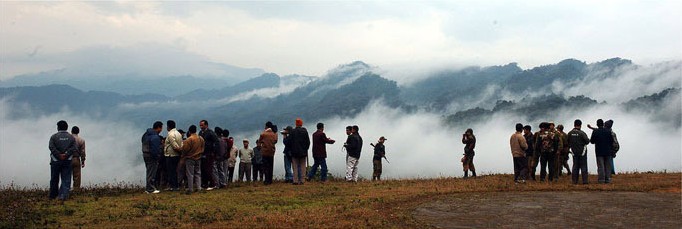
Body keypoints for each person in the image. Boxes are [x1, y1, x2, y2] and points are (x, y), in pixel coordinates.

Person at [49, 120, 77, 200]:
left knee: (54, 178)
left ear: (58, 127)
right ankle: (63, 196)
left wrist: (58, 155)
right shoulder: (71, 137)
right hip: (67, 160)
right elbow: (74, 147)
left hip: (55, 160)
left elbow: (51, 147)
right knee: (66, 178)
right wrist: (66, 154)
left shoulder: (53, 137)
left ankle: (53, 195)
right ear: (67, 127)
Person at [180, 125, 204, 194]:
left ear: (189, 131)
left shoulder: (189, 139)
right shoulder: (201, 138)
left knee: (190, 174)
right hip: (199, 158)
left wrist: (184, 155)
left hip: (190, 158)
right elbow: (203, 147)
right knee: (198, 173)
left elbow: (185, 149)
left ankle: (190, 189)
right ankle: (199, 187)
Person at [590, 119, 614, 184]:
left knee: (601, 166)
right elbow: (612, 141)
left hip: (599, 151)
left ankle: (601, 180)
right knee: (607, 166)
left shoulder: (595, 132)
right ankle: (608, 179)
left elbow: (592, 141)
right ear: (603, 124)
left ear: (597, 124)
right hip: (608, 151)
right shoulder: (608, 131)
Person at [142, 121, 163, 194]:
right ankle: (150, 189)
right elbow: (155, 149)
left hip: (145, 154)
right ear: (159, 127)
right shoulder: (155, 136)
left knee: (149, 171)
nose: (161, 130)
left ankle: (148, 188)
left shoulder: (146, 134)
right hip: (152, 156)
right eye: (161, 128)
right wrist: (157, 156)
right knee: (152, 172)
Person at [567, 119, 590, 184]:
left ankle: (574, 181)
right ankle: (585, 181)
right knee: (583, 167)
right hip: (582, 152)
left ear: (574, 124)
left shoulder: (570, 133)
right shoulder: (582, 133)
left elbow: (567, 141)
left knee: (575, 166)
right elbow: (587, 141)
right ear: (580, 125)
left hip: (574, 152)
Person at [289, 118, 310, 185]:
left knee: (295, 166)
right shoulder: (304, 131)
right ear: (301, 124)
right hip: (303, 152)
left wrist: (291, 149)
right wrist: (306, 149)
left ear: (296, 124)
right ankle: (302, 180)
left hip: (294, 152)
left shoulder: (292, 131)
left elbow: (289, 141)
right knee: (303, 166)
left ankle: (295, 180)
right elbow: (308, 142)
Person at [199, 120, 219, 190]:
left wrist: (214, 152)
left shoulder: (211, 133)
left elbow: (216, 142)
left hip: (209, 153)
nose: (201, 127)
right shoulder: (200, 133)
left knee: (209, 169)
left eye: (202, 125)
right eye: (200, 125)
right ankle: (204, 183)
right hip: (202, 153)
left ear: (206, 125)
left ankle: (212, 184)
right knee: (203, 169)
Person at [164, 120, 182, 191]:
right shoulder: (178, 133)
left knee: (171, 171)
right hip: (176, 155)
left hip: (171, 155)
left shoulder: (170, 134)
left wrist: (179, 151)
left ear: (168, 126)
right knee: (174, 171)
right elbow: (181, 144)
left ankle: (174, 186)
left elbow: (174, 145)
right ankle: (175, 186)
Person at [70, 126, 86, 190]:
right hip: (76, 159)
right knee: (76, 176)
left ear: (71, 131)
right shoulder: (81, 140)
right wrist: (83, 161)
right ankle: (76, 190)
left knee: (67, 175)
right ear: (78, 132)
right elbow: (82, 152)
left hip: (67, 159)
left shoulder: (68, 139)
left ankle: (66, 190)